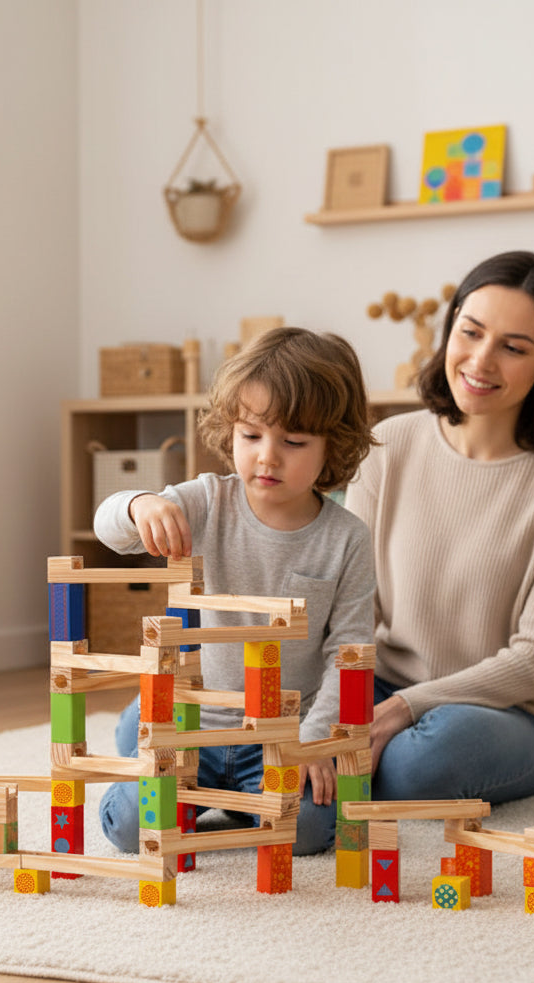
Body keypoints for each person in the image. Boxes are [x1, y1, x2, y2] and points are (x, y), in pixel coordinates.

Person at [95, 327, 376, 855]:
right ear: (231, 432)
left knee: (310, 832)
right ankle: (138, 740)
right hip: (192, 728)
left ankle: (205, 780)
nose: (267, 457)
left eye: (293, 442)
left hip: (276, 738)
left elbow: (350, 653)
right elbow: (109, 525)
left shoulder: (347, 539)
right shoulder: (205, 501)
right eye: (251, 436)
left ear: (332, 446)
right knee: (132, 829)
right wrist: (140, 504)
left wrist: (315, 740)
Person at [345, 250, 534, 805]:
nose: (481, 361)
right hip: (384, 683)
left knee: (424, 762)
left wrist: (403, 709)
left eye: (514, 348)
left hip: (504, 713)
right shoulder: (389, 446)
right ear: (452, 325)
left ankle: (347, 775)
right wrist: (340, 704)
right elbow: (351, 609)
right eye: (472, 332)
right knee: (233, 711)